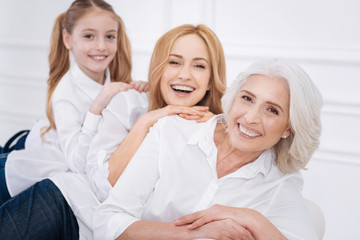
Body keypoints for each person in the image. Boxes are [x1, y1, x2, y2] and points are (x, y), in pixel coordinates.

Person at [0, 23, 227, 240]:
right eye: (174, 62)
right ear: (159, 67)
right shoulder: (131, 104)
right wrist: (145, 122)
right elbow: (101, 187)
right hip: (69, 201)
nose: (184, 75)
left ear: (210, 80)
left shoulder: (219, 131)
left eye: (199, 66)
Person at [93, 59, 323, 240]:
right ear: (233, 99)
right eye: (247, 98)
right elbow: (108, 220)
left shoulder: (280, 182)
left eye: (272, 110)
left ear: (288, 128)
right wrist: (192, 233)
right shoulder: (171, 132)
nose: (251, 117)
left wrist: (251, 218)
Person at [0, 0, 147, 205]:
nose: (101, 46)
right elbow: (78, 164)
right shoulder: (65, 94)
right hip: (46, 158)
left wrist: (141, 94)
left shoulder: (114, 75)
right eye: (89, 36)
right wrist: (96, 109)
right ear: (68, 39)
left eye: (110, 36)